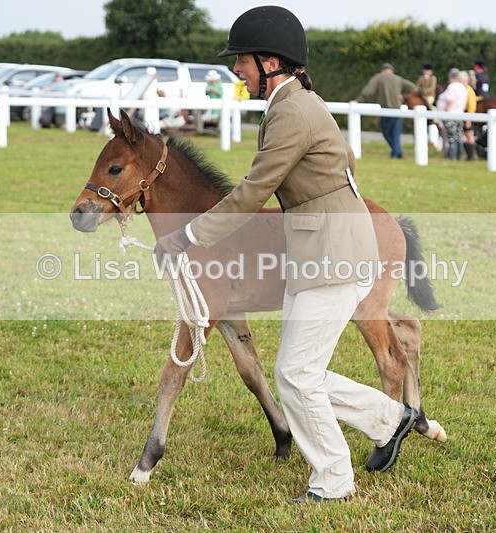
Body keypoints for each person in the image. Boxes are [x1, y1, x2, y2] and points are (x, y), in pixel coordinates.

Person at [154, 5, 418, 504]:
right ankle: (391, 419)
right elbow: (343, 163)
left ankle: (334, 480)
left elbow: (252, 192)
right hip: (316, 251)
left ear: (271, 61)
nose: (236, 70)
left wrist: (187, 237)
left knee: (296, 374)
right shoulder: (295, 104)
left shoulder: (293, 111)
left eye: (243, 61)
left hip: (333, 254)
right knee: (297, 372)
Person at [352, 63, 418, 159]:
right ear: (392, 70)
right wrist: (404, 96)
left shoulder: (379, 78)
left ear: (382, 70)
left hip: (385, 109)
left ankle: (397, 152)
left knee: (386, 132)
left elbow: (368, 91)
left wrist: (358, 100)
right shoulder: (398, 78)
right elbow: (413, 87)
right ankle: (396, 153)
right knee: (396, 133)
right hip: (397, 110)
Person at [435, 68, 468, 160]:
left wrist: (445, 113)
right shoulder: (463, 87)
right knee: (458, 136)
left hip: (451, 114)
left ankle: (452, 156)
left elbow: (450, 100)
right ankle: (459, 155)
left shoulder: (452, 86)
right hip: (460, 114)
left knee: (452, 137)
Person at [459, 70, 479, 161]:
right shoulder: (463, 89)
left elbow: (471, 106)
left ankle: (472, 156)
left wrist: (468, 119)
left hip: (468, 115)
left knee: (469, 135)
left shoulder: (469, 90)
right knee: (466, 135)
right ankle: (469, 155)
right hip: (464, 114)